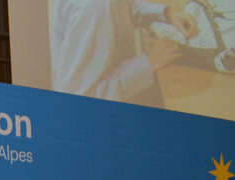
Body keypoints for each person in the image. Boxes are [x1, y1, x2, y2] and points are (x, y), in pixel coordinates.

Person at [50, 1, 199, 104]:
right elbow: (76, 99)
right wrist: (148, 63)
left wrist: (165, 13)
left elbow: (122, 7)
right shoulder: (94, 8)